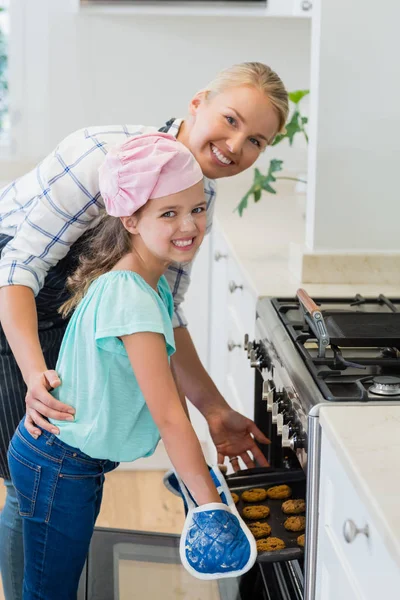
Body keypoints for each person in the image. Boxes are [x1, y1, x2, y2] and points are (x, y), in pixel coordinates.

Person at [0, 61, 289, 599]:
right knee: (29, 481)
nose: (234, 145)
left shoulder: (169, 228)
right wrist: (33, 372)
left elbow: (165, 319)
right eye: (229, 119)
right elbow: (18, 269)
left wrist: (216, 409)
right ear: (197, 102)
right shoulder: (100, 157)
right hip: (12, 278)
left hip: (72, 298)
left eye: (256, 141)